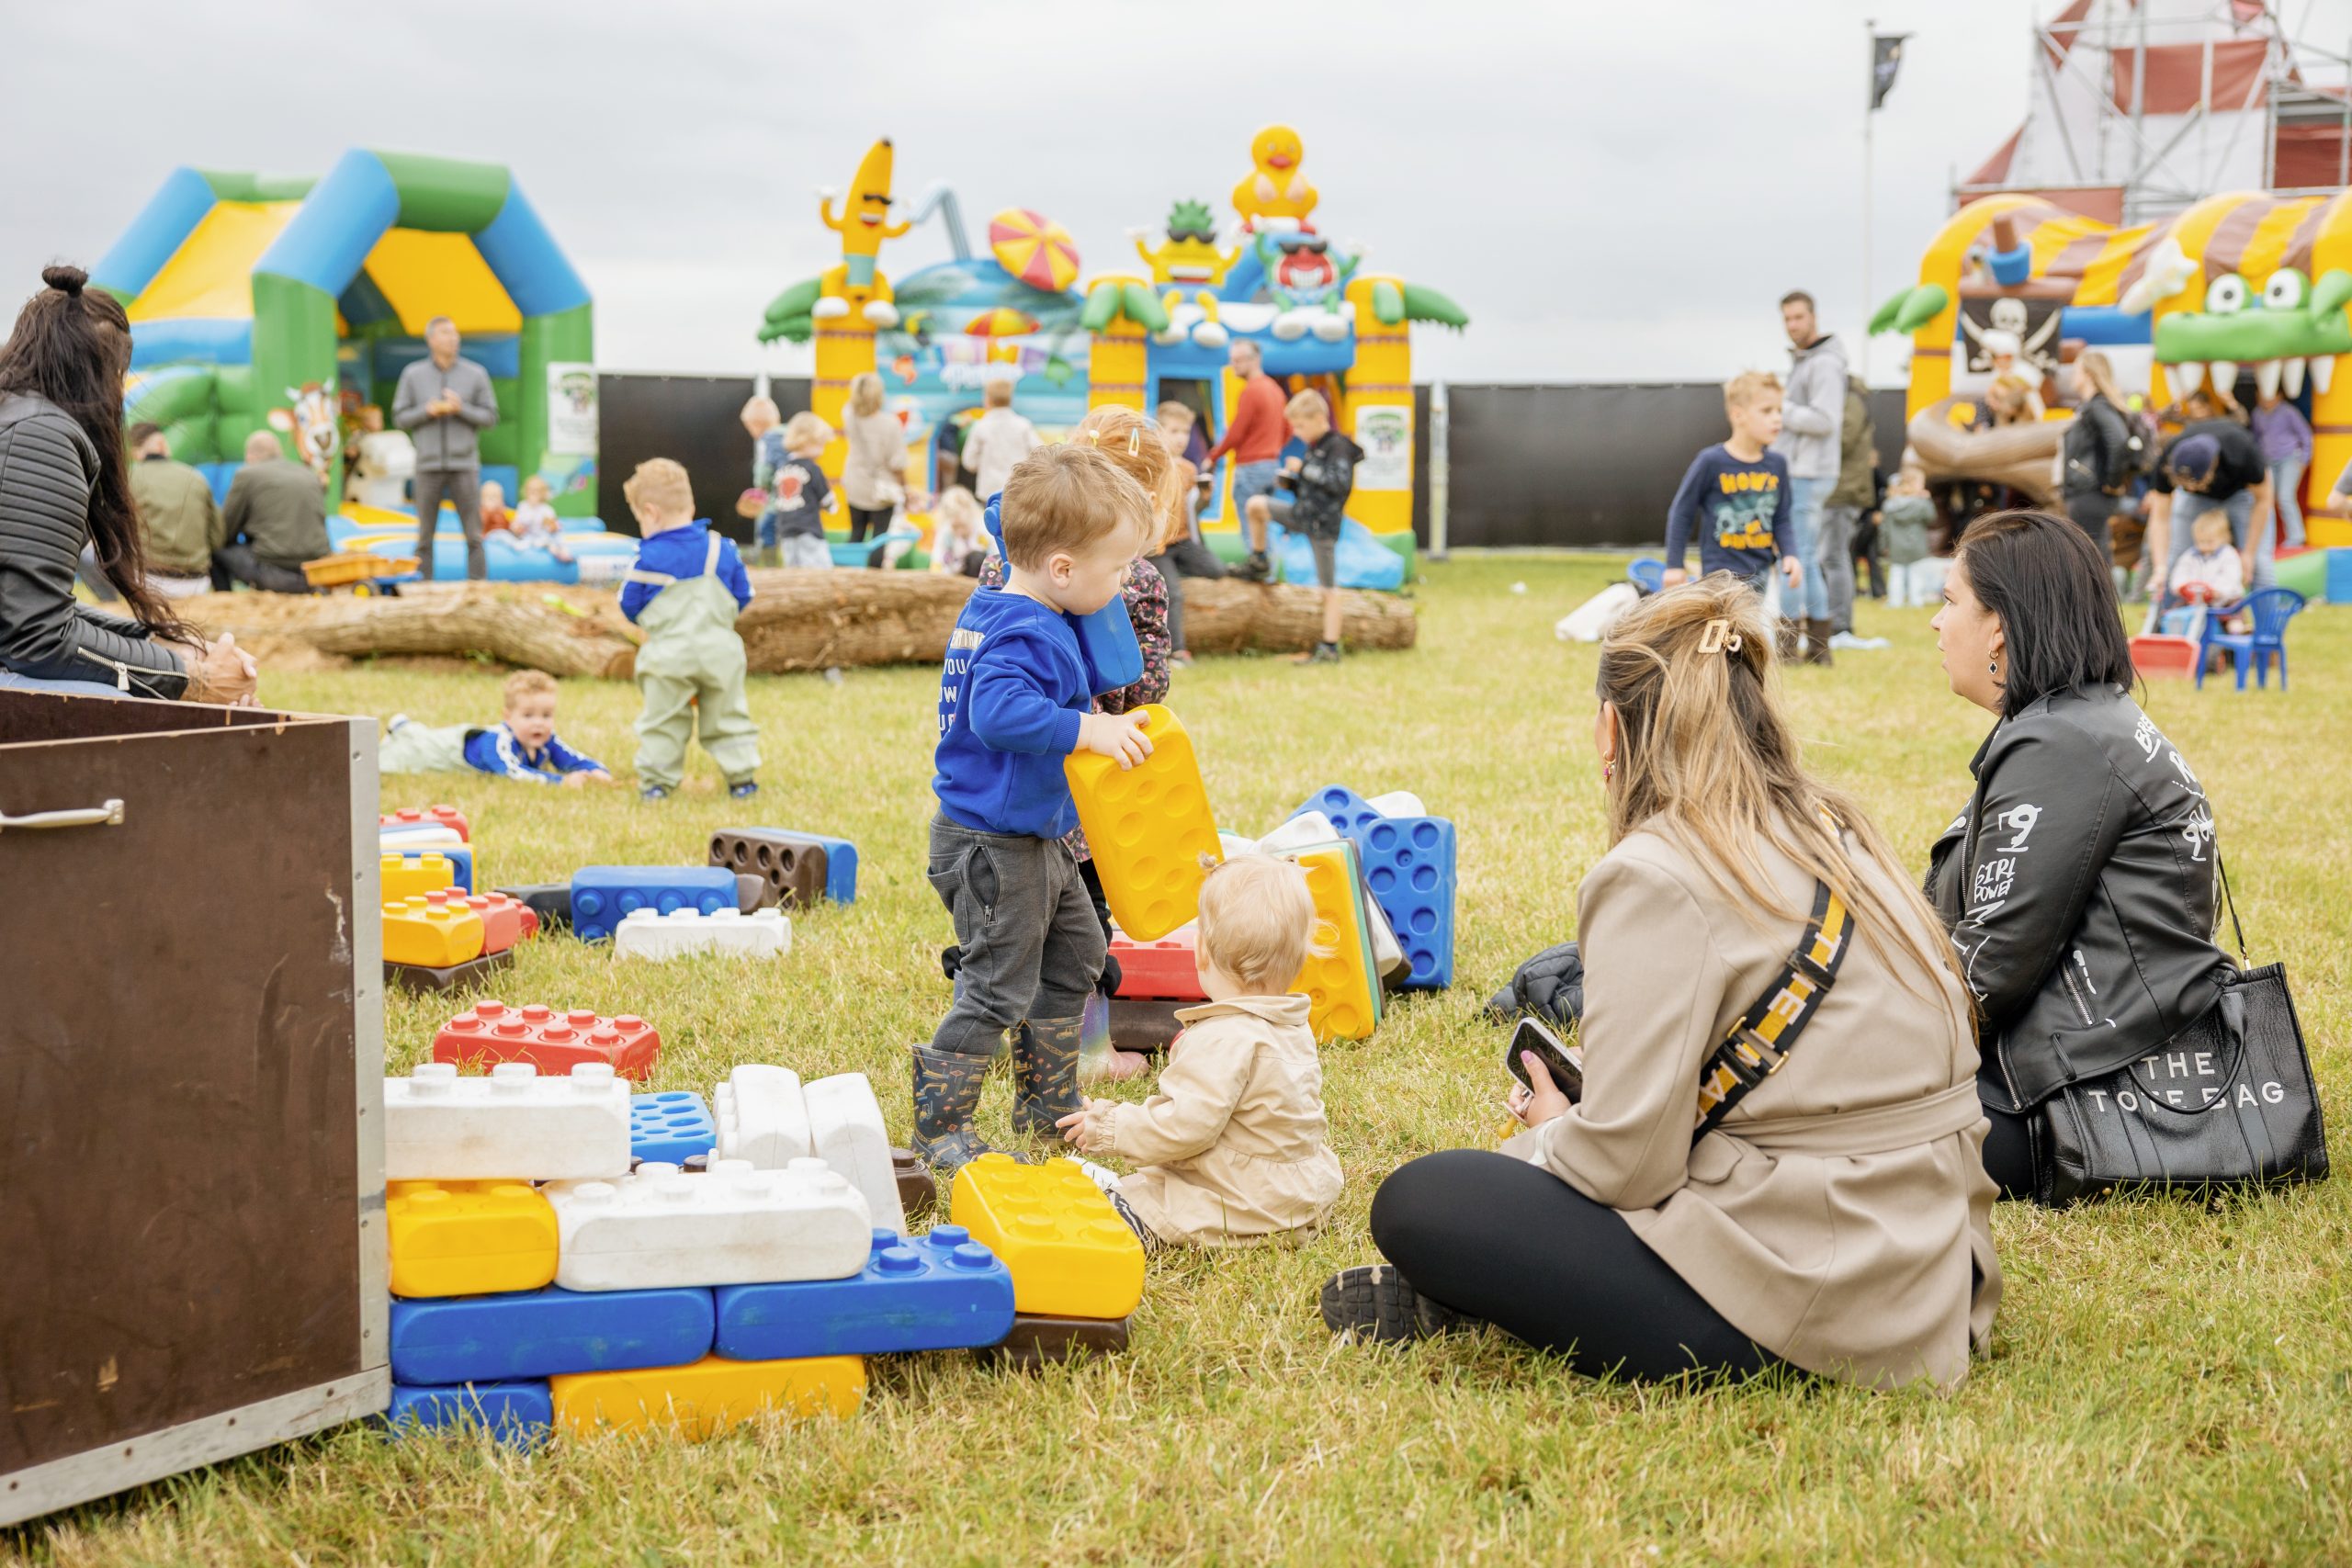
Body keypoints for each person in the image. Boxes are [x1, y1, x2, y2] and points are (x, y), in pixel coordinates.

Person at [1323, 578, 1998, 1390]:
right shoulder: (1840, 829)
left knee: (1422, 1201)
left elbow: (1627, 1167)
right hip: (1936, 1269)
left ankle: (1476, 1294)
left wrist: (1548, 1130)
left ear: (1612, 726)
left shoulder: (1658, 872)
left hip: (1814, 1288)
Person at [1924, 511, 2233, 1202]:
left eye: (1949, 601)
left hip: (2076, 1095)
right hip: (2107, 1056)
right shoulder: (2086, 717)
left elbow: (1983, 976)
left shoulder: (2061, 743)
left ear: (2000, 625)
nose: (1936, 624)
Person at [914, 443, 1156, 1176]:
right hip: (992, 846)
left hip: (1037, 835)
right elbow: (999, 713)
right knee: (995, 984)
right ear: (1062, 568)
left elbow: (1005, 515)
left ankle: (1048, 1103)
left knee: (1080, 953)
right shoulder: (1026, 629)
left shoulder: (1016, 599)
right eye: (1116, 569)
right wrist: (1094, 727)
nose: (1121, 583)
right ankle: (941, 1126)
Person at [1058, 853, 1346, 1251]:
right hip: (1299, 1197)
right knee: (1155, 1180)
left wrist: (1109, 1127)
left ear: (1202, 952)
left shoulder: (1223, 1038)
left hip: (1243, 1203)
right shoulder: (1290, 1025)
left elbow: (1184, 1128)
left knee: (1124, 1208)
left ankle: (1129, 1215)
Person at [0, 266, 256, 702]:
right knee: (130, 706)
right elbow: (34, 637)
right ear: (101, 371)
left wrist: (163, 644)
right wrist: (189, 678)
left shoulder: (19, 418)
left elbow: (25, 606)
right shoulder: (39, 437)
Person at [617, 459, 760, 802]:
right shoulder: (722, 548)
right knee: (729, 715)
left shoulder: (646, 558)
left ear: (649, 512)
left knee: (663, 720)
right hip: (720, 651)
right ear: (691, 505)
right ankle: (742, 780)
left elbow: (628, 605)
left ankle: (656, 785)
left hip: (668, 655)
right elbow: (743, 595)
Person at [1662, 371, 1804, 603]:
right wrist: (1674, 565)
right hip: (1720, 576)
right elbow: (1682, 512)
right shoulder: (1711, 461)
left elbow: (1781, 517)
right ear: (1738, 415)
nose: (1777, 418)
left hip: (1760, 573)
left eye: (1779, 410)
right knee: (1720, 635)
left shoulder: (1777, 464)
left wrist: (1790, 554)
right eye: (1767, 411)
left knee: (1749, 638)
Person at [1244, 392, 1361, 665]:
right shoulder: (1315, 445)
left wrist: (1303, 469)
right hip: (1302, 514)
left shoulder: (1338, 446)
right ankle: (1259, 559)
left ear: (1319, 419)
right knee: (1255, 506)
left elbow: (1339, 483)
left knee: (1328, 588)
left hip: (1322, 525)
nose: (1297, 433)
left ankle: (1330, 647)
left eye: (1300, 426)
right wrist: (1293, 483)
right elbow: (1315, 487)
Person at [391, 317, 499, 581]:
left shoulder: (476, 374)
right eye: (446, 333)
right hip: (427, 466)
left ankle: (477, 590)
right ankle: (422, 588)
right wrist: (425, 411)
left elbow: (490, 418)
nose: (454, 338)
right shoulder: (412, 374)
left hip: (464, 466)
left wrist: (462, 408)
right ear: (431, 340)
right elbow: (400, 418)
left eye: (455, 333)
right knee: (424, 536)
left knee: (474, 535)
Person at [1770, 291, 1846, 666]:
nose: (1793, 325)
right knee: (1807, 558)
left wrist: (1780, 410)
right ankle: (1817, 649)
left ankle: (1787, 650)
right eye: (1787, 319)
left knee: (1793, 559)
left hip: (1806, 471)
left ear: (1813, 317)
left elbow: (1825, 419)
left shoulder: (1824, 364)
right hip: (1806, 470)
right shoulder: (1809, 362)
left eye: (1798, 317)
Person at [379, 669, 614, 784]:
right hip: (446, 751)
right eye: (528, 715)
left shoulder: (545, 739)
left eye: (546, 715)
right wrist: (560, 782)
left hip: (454, 743)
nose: (539, 723)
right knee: (409, 753)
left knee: (423, 740)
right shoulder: (497, 741)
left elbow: (571, 758)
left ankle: (406, 728)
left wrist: (595, 770)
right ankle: (402, 729)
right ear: (508, 717)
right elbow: (512, 772)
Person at [2146, 419, 2273, 609]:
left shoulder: (2242, 451)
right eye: (2183, 485)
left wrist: (2249, 553)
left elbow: (2263, 502)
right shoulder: (2168, 458)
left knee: (2259, 564)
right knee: (2176, 558)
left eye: (2194, 484)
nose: (2188, 488)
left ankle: (2268, 633)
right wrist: (2160, 567)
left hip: (2243, 493)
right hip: (2197, 501)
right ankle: (2163, 629)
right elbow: (2160, 519)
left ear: (2212, 468)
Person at [1204, 339, 1287, 580]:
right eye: (1232, 360)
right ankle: (1269, 575)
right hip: (1271, 464)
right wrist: (1271, 447)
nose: (1234, 365)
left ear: (1255, 360)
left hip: (1251, 467)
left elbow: (1237, 432)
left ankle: (1259, 573)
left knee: (1251, 523)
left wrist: (1213, 456)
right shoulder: (1275, 389)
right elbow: (1288, 428)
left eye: (1238, 360)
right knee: (1264, 522)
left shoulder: (1252, 390)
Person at [213, 430, 329, 594]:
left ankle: (226, 600)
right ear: (279, 452)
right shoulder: (308, 474)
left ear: (250, 455)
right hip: (315, 566)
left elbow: (225, 529)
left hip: (272, 567)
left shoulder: (247, 474)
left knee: (216, 550)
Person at [123, 423, 220, 599]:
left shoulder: (130, 479)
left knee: (89, 553)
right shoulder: (196, 477)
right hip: (197, 582)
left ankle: (111, 604)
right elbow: (218, 537)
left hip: (148, 579)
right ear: (165, 447)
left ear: (136, 451)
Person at [2057, 351, 2134, 558]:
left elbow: (2119, 440)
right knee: (2094, 553)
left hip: (2089, 491)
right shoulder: (2091, 407)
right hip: (2088, 491)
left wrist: (2112, 480)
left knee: (2090, 555)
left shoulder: (2098, 406)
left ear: (2089, 374)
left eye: (2076, 371)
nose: (2072, 376)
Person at [1822, 374, 1876, 643]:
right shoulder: (1845, 398)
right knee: (1831, 556)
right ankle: (1834, 623)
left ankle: (1839, 626)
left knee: (1834, 556)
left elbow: (1842, 440)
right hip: (1837, 490)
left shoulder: (1850, 400)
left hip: (1843, 491)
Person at [839, 372, 904, 546]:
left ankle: (849, 570)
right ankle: (875, 572)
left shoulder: (849, 416)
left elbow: (850, 405)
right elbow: (897, 463)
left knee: (856, 532)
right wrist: (904, 486)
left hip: (855, 483)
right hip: (882, 489)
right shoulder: (891, 423)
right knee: (879, 538)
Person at [769, 412, 837, 570]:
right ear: (808, 441)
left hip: (785, 530)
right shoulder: (813, 469)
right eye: (820, 444)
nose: (822, 450)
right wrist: (832, 507)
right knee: (819, 570)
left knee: (793, 569)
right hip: (809, 530)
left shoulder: (781, 470)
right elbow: (827, 500)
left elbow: (777, 498)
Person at [2250, 382, 2312, 550]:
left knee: (2285, 496)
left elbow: (2306, 436)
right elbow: (2256, 438)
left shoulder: (2289, 412)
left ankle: (2297, 537)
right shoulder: (2257, 414)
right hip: (2269, 461)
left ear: (2279, 396)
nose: (2264, 399)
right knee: (2266, 500)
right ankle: (2267, 539)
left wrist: (2304, 461)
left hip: (2290, 458)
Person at [959, 378, 1040, 504]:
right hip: (1018, 489)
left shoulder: (980, 426)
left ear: (988, 400)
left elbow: (969, 462)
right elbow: (1040, 453)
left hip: (989, 492)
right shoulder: (1023, 425)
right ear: (1010, 399)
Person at [1880, 462, 1937, 609]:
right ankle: (1916, 600)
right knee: (1916, 575)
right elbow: (1931, 518)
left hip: (1896, 546)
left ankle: (1895, 601)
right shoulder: (1921, 504)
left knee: (1896, 574)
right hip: (1917, 546)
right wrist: (1927, 500)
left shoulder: (1890, 505)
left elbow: (1884, 528)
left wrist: (1883, 545)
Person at [2165, 509, 2247, 607]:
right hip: (2197, 600)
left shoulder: (2229, 555)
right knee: (2177, 611)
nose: (2205, 546)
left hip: (2226, 600)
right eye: (2200, 542)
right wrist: (2181, 586)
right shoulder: (2190, 555)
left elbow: (2231, 576)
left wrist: (2217, 590)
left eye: (2209, 542)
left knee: (2233, 619)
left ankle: (2235, 623)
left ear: (2224, 538)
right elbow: (2181, 572)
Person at [741, 393, 786, 562]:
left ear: (757, 425)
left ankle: (770, 565)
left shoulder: (766, 441)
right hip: (792, 499)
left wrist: (760, 487)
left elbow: (764, 472)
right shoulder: (788, 435)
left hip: (775, 500)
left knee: (767, 530)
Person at [507, 474, 572, 563]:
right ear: (526, 491)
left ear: (543, 494)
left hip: (543, 535)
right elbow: (517, 523)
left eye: (537, 491)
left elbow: (553, 527)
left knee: (555, 539)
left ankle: (561, 552)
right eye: (530, 490)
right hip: (528, 536)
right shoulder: (523, 506)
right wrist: (517, 527)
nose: (533, 493)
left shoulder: (546, 509)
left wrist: (551, 526)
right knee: (521, 542)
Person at [928, 486, 992, 577]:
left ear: (971, 516)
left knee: (976, 558)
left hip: (980, 573)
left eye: (962, 526)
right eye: (955, 527)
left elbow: (995, 553)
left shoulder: (983, 527)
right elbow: (937, 557)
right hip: (954, 573)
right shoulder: (946, 531)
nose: (959, 532)